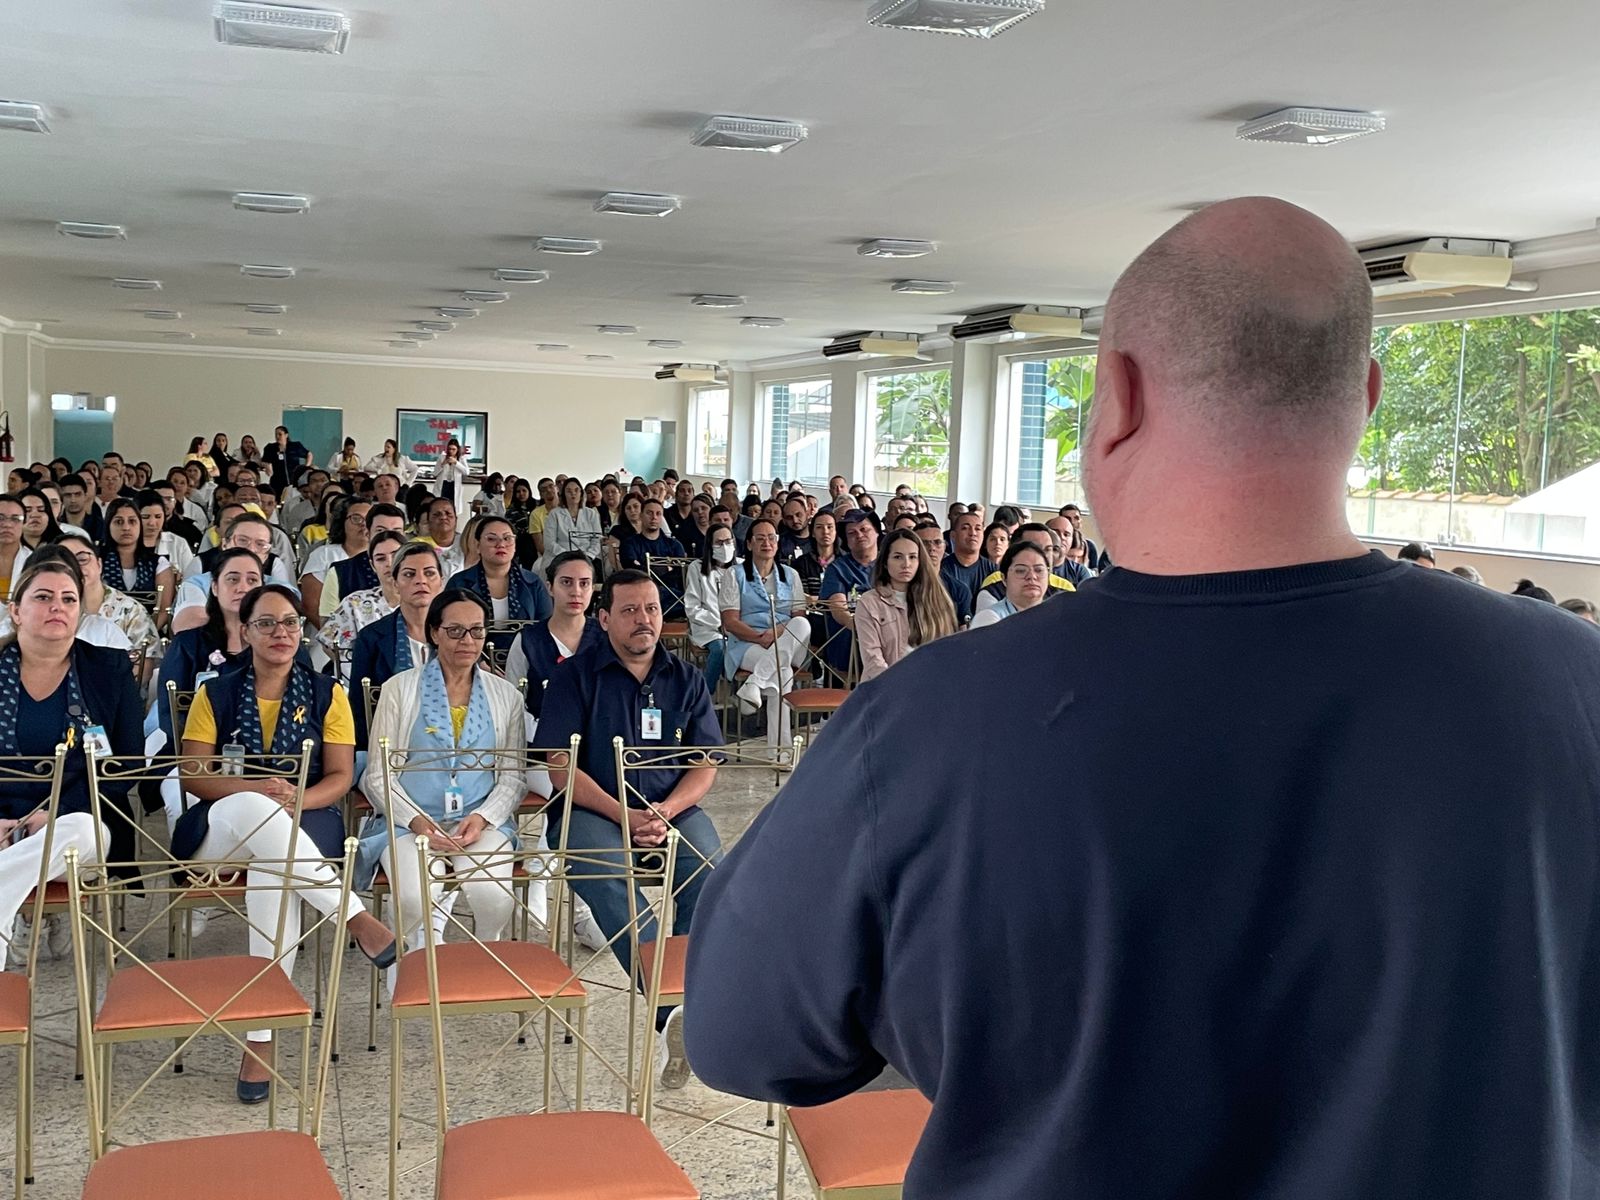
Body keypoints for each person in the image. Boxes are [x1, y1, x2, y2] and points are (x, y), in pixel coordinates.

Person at [686, 196, 1600, 1199]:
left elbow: (742, 1033)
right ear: (1366, 394)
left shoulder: (931, 719)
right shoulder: (1571, 680)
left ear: (1116, 398)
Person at [179, 582, 395, 1102]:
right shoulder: (215, 692)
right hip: (222, 830)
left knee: (273, 874)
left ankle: (260, 1040)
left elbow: (339, 777)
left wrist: (296, 799)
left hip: (304, 819)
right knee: (255, 810)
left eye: (291, 622)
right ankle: (353, 916)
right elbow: (194, 775)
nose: (281, 632)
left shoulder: (327, 693)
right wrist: (258, 791)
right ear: (245, 631)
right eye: (267, 623)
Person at [540, 570, 725, 1089]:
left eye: (651, 609)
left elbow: (706, 762)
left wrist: (666, 811)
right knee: (613, 880)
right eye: (629, 610)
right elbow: (560, 767)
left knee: (711, 872)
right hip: (593, 812)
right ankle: (673, 1015)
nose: (643, 619)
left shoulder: (686, 678)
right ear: (603, 618)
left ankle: (689, 1003)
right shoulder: (574, 677)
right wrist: (626, 815)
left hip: (671, 809)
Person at [361, 590, 530, 972]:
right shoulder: (399, 689)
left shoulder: (506, 696)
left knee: (493, 896)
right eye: (455, 631)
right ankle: (410, 966)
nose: (467, 641)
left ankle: (484, 962)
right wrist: (418, 822)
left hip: (478, 819)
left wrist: (482, 818)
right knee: (413, 897)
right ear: (434, 632)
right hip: (409, 822)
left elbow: (512, 777)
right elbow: (378, 776)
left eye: (476, 631)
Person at [0, 559, 140, 965]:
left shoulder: (110, 669)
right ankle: (31, 908)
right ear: (16, 610)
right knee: (49, 850)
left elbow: (125, 764)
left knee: (75, 832)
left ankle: (20, 909)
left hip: (83, 819)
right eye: (43, 597)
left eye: (68, 599)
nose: (57, 607)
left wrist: (56, 814)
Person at [349, 541, 444, 742]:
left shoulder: (457, 633)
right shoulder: (371, 637)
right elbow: (359, 709)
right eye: (409, 574)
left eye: (429, 573)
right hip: (391, 742)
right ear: (395, 584)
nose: (421, 581)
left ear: (441, 581)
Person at [719, 519, 809, 715]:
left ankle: (754, 682)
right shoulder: (734, 574)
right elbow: (730, 622)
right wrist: (760, 638)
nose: (766, 543)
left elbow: (798, 616)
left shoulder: (791, 575)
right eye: (760, 538)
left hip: (788, 641)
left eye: (771, 538)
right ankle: (781, 736)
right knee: (783, 672)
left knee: (802, 623)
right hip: (747, 643)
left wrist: (776, 635)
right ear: (749, 544)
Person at [505, 551, 604, 719]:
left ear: (593, 588)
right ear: (550, 587)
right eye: (566, 582)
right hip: (540, 733)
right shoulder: (527, 641)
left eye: (584, 583)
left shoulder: (607, 637)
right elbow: (512, 705)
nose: (576, 592)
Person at [853, 528, 957, 682]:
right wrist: (897, 687)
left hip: (929, 685)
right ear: (885, 562)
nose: (906, 564)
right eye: (897, 557)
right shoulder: (869, 602)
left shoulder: (937, 598)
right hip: (883, 687)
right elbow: (872, 659)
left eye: (913, 557)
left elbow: (945, 652)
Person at [446, 515, 554, 651]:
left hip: (525, 658)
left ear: (515, 546)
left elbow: (547, 630)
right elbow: (450, 629)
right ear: (478, 546)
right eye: (491, 539)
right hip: (471, 657)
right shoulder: (459, 583)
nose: (501, 544)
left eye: (507, 538)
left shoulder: (533, 583)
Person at [318, 528, 406, 663]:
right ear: (373, 565)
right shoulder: (355, 603)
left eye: (396, 556)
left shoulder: (425, 600)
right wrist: (356, 670)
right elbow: (329, 643)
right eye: (380, 559)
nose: (389, 563)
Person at [318, 502, 407, 621]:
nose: (388, 538)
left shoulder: (421, 573)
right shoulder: (340, 572)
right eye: (380, 531)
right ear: (367, 534)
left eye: (396, 532)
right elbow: (328, 625)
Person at [817, 508, 879, 678]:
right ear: (846, 541)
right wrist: (864, 629)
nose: (859, 535)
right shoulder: (837, 569)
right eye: (852, 533)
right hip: (850, 642)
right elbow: (838, 610)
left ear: (876, 532)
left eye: (864, 529)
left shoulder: (890, 565)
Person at [298, 495, 371, 629]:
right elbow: (310, 605)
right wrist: (335, 636)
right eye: (356, 518)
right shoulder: (324, 555)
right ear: (342, 521)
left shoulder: (383, 556)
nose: (363, 524)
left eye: (369, 519)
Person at [98, 496, 173, 614]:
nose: (126, 528)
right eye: (119, 522)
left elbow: (163, 611)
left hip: (148, 625)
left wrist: (143, 626)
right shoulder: (96, 561)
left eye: (132, 521)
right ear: (108, 525)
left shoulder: (159, 564)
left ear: (140, 526)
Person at [685, 525, 737, 690]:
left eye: (728, 541)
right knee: (720, 648)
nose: (725, 547)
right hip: (707, 627)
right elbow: (692, 607)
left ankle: (740, 691)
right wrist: (719, 623)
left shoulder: (742, 567)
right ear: (710, 545)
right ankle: (706, 693)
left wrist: (734, 625)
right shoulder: (697, 567)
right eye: (719, 543)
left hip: (737, 626)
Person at [968, 541, 1051, 629]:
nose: (1032, 576)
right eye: (1021, 571)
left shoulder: (1057, 616)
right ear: (1004, 579)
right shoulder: (988, 619)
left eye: (1039, 570)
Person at [913, 517, 974, 624]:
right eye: (924, 543)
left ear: (944, 547)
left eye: (937, 542)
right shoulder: (903, 586)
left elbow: (963, 630)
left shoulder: (959, 590)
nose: (932, 548)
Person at [539, 477, 604, 572]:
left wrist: (589, 555)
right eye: (569, 491)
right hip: (559, 556)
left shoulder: (591, 514)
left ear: (581, 493)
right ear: (564, 495)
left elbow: (597, 539)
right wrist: (567, 556)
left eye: (576, 490)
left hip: (588, 556)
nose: (573, 493)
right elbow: (549, 542)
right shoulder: (554, 514)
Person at [419, 496, 464, 577]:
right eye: (437, 514)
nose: (443, 517)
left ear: (456, 520)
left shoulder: (466, 543)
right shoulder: (418, 546)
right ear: (428, 521)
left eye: (448, 514)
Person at [261, 426, 310, 495]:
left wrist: (305, 467)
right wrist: (267, 467)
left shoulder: (295, 446)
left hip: (293, 480)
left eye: (280, 434)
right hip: (277, 481)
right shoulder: (270, 448)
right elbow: (264, 461)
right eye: (276, 434)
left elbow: (309, 454)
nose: (277, 436)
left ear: (286, 435)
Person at [0, 496, 31, 604]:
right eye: (0, 518)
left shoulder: (34, 561)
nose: (7, 525)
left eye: (15, 519)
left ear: (24, 523)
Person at [430, 438, 471, 518]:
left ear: (457, 449)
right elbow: (435, 473)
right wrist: (443, 463)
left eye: (453, 449)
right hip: (443, 485)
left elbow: (466, 472)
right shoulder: (442, 457)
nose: (451, 451)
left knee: (452, 507)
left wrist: (456, 463)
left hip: (453, 485)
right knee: (441, 506)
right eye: (449, 449)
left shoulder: (461, 459)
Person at [16, 486, 61, 551]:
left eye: (41, 510)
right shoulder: (6, 545)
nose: (35, 515)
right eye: (27, 510)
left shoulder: (63, 544)